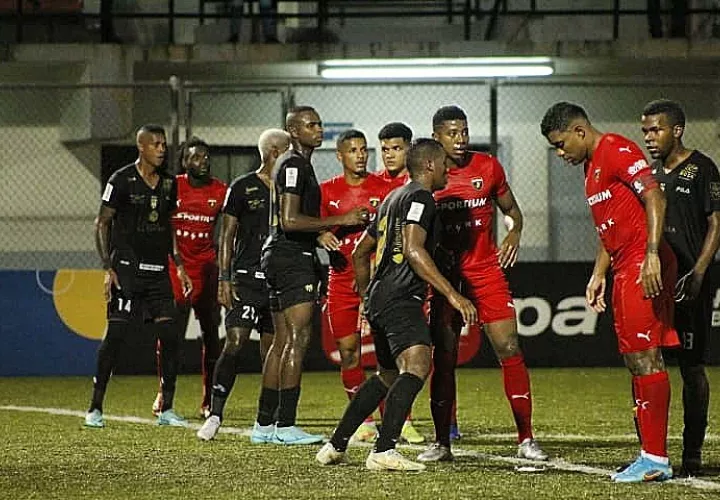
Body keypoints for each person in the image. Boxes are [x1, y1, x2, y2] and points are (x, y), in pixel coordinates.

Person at [315, 138, 478, 471]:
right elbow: (414, 249)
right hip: (400, 295)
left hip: (378, 295)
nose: (449, 169)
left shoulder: (392, 198)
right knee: (418, 364)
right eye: (444, 163)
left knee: (388, 374)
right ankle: (383, 449)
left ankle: (335, 444)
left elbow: (361, 252)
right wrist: (452, 294)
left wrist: (365, 296)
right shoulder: (420, 198)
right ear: (430, 165)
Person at [541, 102, 678, 482]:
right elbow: (609, 227)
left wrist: (651, 254)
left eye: (561, 143)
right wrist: (597, 273)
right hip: (623, 264)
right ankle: (649, 454)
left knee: (645, 355)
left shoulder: (616, 149)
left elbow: (654, 197)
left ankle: (656, 459)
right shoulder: (590, 168)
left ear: (580, 131)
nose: (560, 153)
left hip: (641, 262)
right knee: (636, 358)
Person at [418, 105, 547, 463]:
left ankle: (526, 438)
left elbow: (513, 212)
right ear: (436, 137)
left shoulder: (488, 166)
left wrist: (514, 233)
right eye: (452, 133)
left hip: (486, 271)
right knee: (443, 358)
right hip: (446, 279)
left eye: (463, 131)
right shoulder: (430, 177)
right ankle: (442, 442)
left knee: (509, 346)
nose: (460, 139)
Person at [251, 106, 368, 445]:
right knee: (296, 340)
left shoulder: (295, 165)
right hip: (290, 258)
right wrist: (341, 220)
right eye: (311, 125)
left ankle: (264, 425)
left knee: (280, 341)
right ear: (293, 130)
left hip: (278, 255)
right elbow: (290, 220)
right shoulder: (294, 164)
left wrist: (321, 231)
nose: (318, 129)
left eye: (319, 124)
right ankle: (285, 425)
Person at [84, 124, 193, 428]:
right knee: (117, 335)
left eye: (164, 144)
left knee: (171, 336)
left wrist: (179, 264)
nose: (162, 149)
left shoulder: (170, 184)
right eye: (156, 144)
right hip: (127, 271)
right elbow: (102, 223)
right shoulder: (121, 180)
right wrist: (108, 266)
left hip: (158, 272)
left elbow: (169, 225)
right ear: (141, 147)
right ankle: (95, 407)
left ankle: (167, 408)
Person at [320, 129, 423, 444]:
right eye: (353, 150)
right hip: (340, 280)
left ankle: (400, 420)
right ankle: (363, 420)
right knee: (348, 352)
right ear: (340, 155)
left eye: (364, 149)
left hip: (378, 283)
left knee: (391, 359)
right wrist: (320, 235)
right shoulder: (327, 192)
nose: (360, 155)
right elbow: (311, 223)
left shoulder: (386, 186)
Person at [641, 99, 720, 476]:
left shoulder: (703, 169)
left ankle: (692, 452)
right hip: (657, 283)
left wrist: (700, 274)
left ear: (677, 130)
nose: (649, 138)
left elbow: (716, 224)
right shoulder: (651, 175)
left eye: (655, 130)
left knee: (691, 368)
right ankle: (650, 451)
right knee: (644, 364)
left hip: (691, 283)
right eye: (644, 131)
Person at [196, 129, 291, 441]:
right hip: (247, 280)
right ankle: (215, 413)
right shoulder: (242, 186)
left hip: (279, 281)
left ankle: (269, 420)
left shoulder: (291, 189)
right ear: (274, 152)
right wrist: (224, 277)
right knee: (235, 342)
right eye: (289, 151)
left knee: (273, 352)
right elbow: (227, 235)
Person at [151, 138, 226, 419]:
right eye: (196, 158)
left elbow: (230, 227)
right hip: (176, 268)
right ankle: (164, 392)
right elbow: (161, 226)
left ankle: (208, 399)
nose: (203, 161)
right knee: (171, 334)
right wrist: (176, 263)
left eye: (206, 157)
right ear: (185, 162)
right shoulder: (172, 186)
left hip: (207, 268)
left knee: (211, 335)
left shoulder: (220, 190)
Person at [377, 122, 412, 187]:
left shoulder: (418, 182)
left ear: (409, 148)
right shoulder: (372, 181)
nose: (389, 155)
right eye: (385, 150)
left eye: (396, 149)